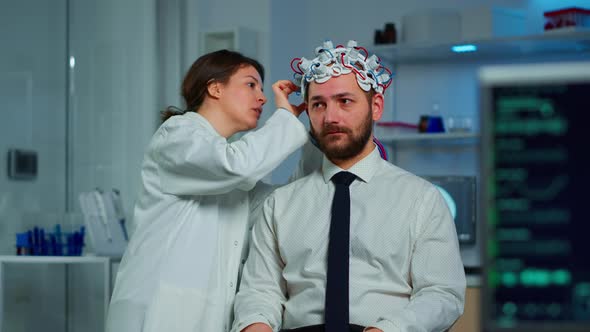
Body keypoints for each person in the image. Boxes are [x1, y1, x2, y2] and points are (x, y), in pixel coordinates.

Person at [231, 40, 466, 332]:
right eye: (318, 105)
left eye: (345, 101)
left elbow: (442, 294)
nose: (330, 117)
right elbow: (260, 291)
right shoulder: (280, 204)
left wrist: (389, 330)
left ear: (376, 107)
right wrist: (255, 325)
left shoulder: (421, 199)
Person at [106, 49, 310, 332]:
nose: (262, 97)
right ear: (215, 87)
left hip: (204, 316)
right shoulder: (177, 136)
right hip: (158, 312)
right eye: (251, 85)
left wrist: (320, 131)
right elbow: (236, 166)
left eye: (261, 89)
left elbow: (280, 203)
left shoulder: (226, 172)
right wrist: (286, 118)